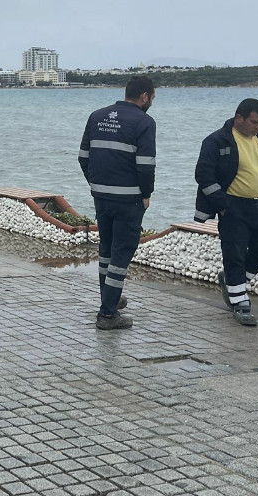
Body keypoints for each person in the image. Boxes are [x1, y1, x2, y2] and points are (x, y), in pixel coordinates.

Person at [78, 76, 157, 331]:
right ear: (144, 96)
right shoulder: (144, 122)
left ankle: (109, 298)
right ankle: (108, 314)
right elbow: (145, 165)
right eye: (152, 98)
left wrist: (96, 184)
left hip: (101, 196)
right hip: (129, 199)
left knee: (107, 251)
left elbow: (83, 157)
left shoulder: (96, 116)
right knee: (121, 255)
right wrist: (146, 194)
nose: (151, 102)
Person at [193, 98, 258, 327]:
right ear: (239, 118)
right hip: (233, 207)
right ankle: (241, 304)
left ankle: (232, 282)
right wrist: (223, 205)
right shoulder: (216, 140)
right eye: (255, 122)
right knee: (235, 254)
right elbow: (203, 175)